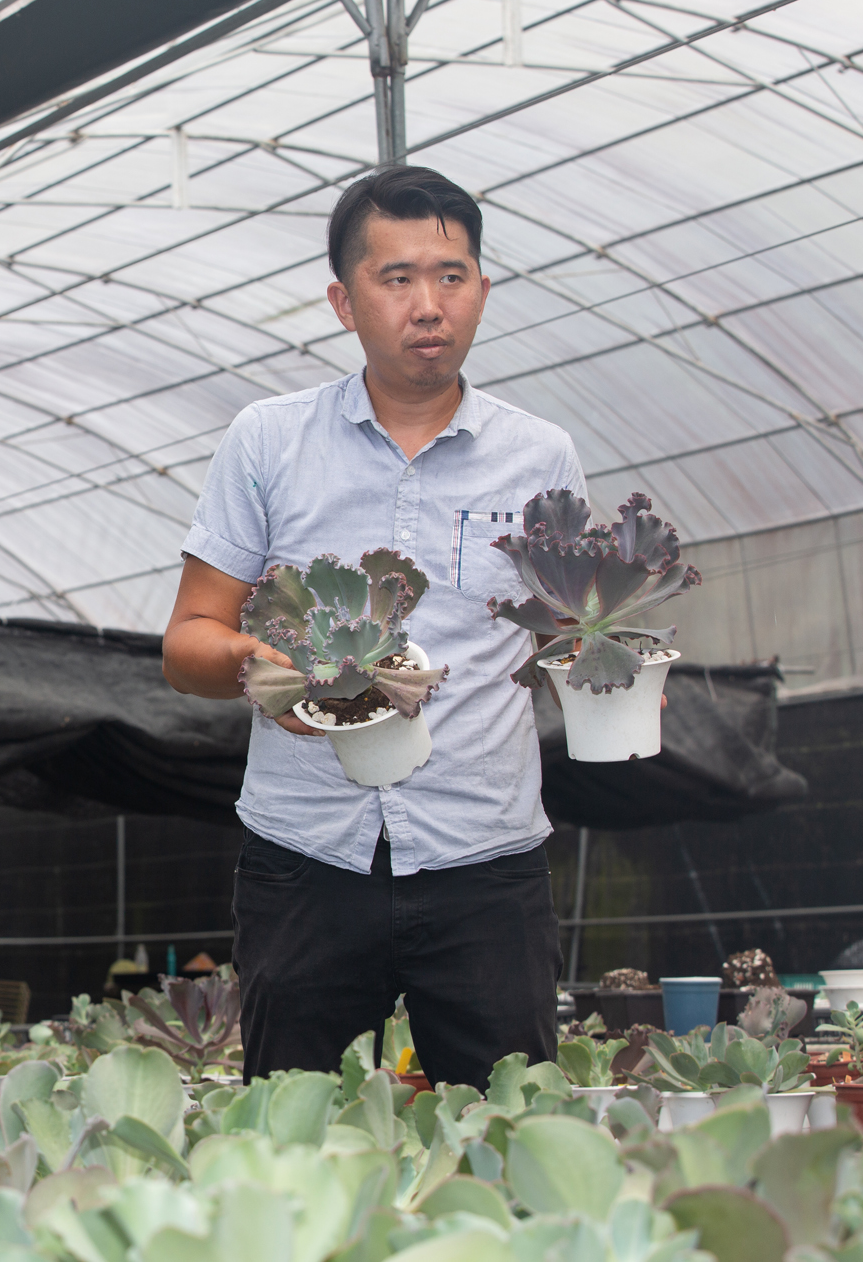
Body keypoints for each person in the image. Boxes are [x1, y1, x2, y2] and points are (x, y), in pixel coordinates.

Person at [160, 164, 586, 1090]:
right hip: (309, 854)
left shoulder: (540, 455)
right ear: (345, 302)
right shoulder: (269, 442)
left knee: (509, 1144)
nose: (427, 304)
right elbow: (187, 638)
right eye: (396, 279)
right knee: (294, 1140)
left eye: (451, 275)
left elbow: (567, 637)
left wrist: (608, 650)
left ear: (481, 290)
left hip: (485, 859)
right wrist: (251, 664)